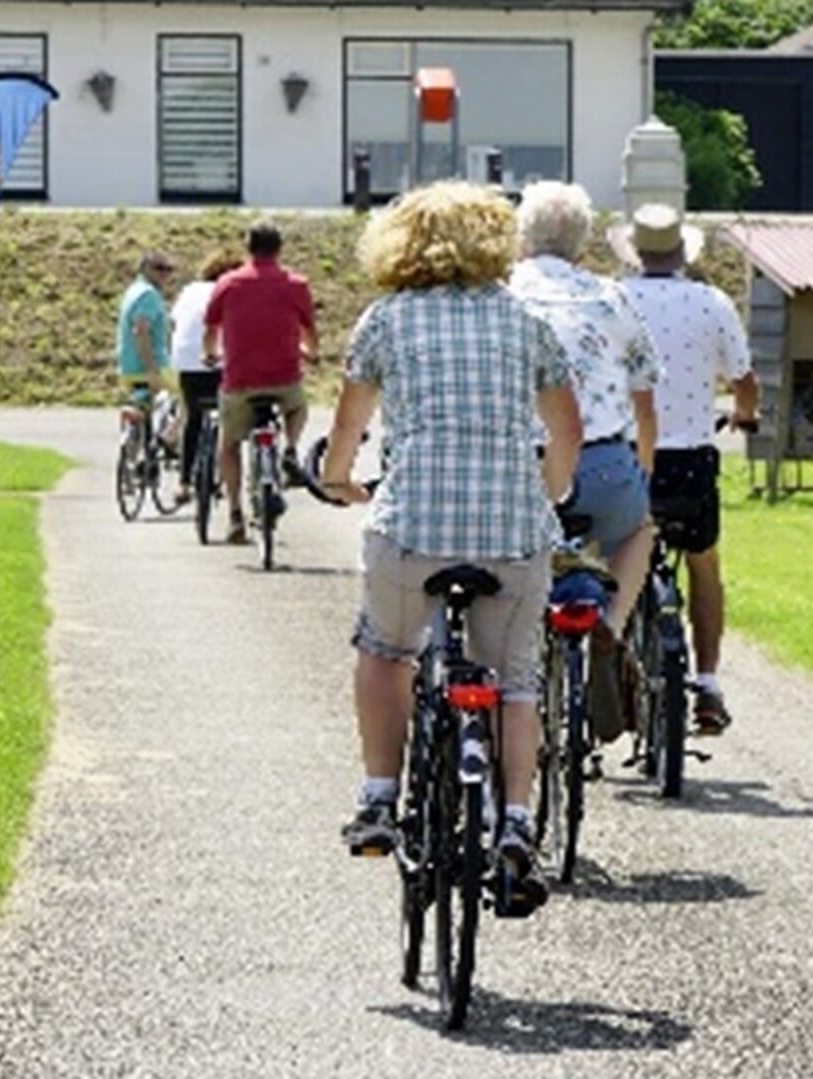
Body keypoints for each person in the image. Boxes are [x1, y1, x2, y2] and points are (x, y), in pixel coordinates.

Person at [320, 181, 583, 913]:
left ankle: (378, 796)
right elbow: (565, 434)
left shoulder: (386, 321)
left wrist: (338, 478)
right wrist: (549, 495)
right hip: (510, 533)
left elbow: (348, 429)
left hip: (412, 529)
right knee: (515, 680)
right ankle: (517, 823)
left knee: (385, 649)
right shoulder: (525, 320)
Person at [508, 181, 660, 744]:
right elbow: (646, 406)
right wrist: (640, 475)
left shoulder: (503, 297)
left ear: (521, 237)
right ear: (584, 242)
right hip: (602, 465)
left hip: (522, 469)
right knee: (638, 530)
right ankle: (611, 630)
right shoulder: (612, 298)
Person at [619, 203, 760, 735]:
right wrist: (745, 417)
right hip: (690, 461)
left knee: (606, 560)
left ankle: (601, 675)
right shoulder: (710, 302)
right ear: (681, 253)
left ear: (634, 252)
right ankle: (707, 681)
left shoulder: (614, 299)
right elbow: (743, 381)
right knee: (703, 565)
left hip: (627, 454)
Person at [204, 220, 319, 544]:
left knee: (228, 445)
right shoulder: (296, 284)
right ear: (280, 249)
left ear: (248, 247)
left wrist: (210, 354)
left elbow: (211, 328)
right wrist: (312, 352)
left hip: (240, 380)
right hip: (283, 378)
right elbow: (310, 330)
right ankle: (291, 451)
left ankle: (235, 515)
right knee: (297, 408)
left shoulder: (228, 283)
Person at [168, 250, 244, 502]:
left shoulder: (190, 290)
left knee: (194, 417)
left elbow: (175, 322)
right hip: (220, 362)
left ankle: (184, 482)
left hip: (186, 362)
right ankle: (225, 474)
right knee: (228, 420)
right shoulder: (233, 289)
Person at [115, 249, 175, 406]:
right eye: (158, 268)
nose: (164, 273)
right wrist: (152, 370)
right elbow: (141, 332)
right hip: (148, 368)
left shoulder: (134, 290)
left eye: (169, 269)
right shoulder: (148, 295)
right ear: (144, 268)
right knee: (187, 396)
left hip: (128, 367)